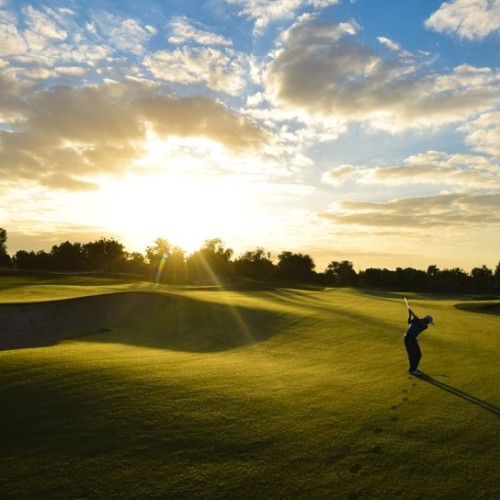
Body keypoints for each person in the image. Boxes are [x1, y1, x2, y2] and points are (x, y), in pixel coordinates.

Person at [404, 308, 433, 375]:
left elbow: (419, 321)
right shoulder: (418, 321)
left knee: (418, 354)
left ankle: (413, 368)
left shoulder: (425, 326)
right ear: (426, 320)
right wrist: (410, 314)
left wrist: (412, 313)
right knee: (412, 354)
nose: (428, 323)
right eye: (428, 322)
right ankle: (412, 370)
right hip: (408, 339)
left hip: (412, 339)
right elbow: (409, 322)